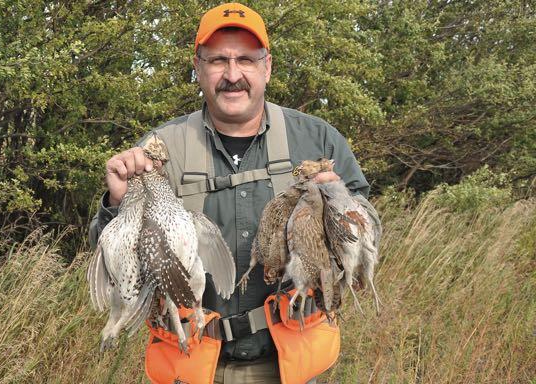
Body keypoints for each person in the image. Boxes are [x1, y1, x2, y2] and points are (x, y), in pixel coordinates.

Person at [89, 3, 380, 383]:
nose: (232, 74)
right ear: (197, 68)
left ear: (267, 67)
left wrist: (340, 211)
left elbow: (369, 230)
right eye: (217, 61)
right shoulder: (161, 150)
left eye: (245, 59)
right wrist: (118, 204)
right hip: (192, 363)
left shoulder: (318, 140)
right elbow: (108, 255)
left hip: (294, 361)